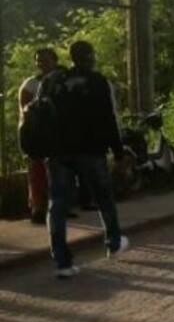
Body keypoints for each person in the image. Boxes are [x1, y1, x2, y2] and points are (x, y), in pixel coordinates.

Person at [40, 41, 130, 278]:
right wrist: (119, 153)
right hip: (91, 151)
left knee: (57, 206)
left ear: (70, 57)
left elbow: (40, 114)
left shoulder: (53, 82)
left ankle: (62, 262)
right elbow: (109, 119)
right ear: (90, 57)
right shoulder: (99, 82)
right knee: (104, 199)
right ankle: (113, 243)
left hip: (58, 153)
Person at [18, 47, 59, 224]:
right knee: (36, 172)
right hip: (36, 136)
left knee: (57, 173)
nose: (42, 63)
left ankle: (57, 206)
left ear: (55, 61)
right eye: (39, 60)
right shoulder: (30, 85)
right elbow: (26, 111)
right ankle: (38, 208)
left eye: (46, 60)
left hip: (57, 135)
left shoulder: (62, 81)